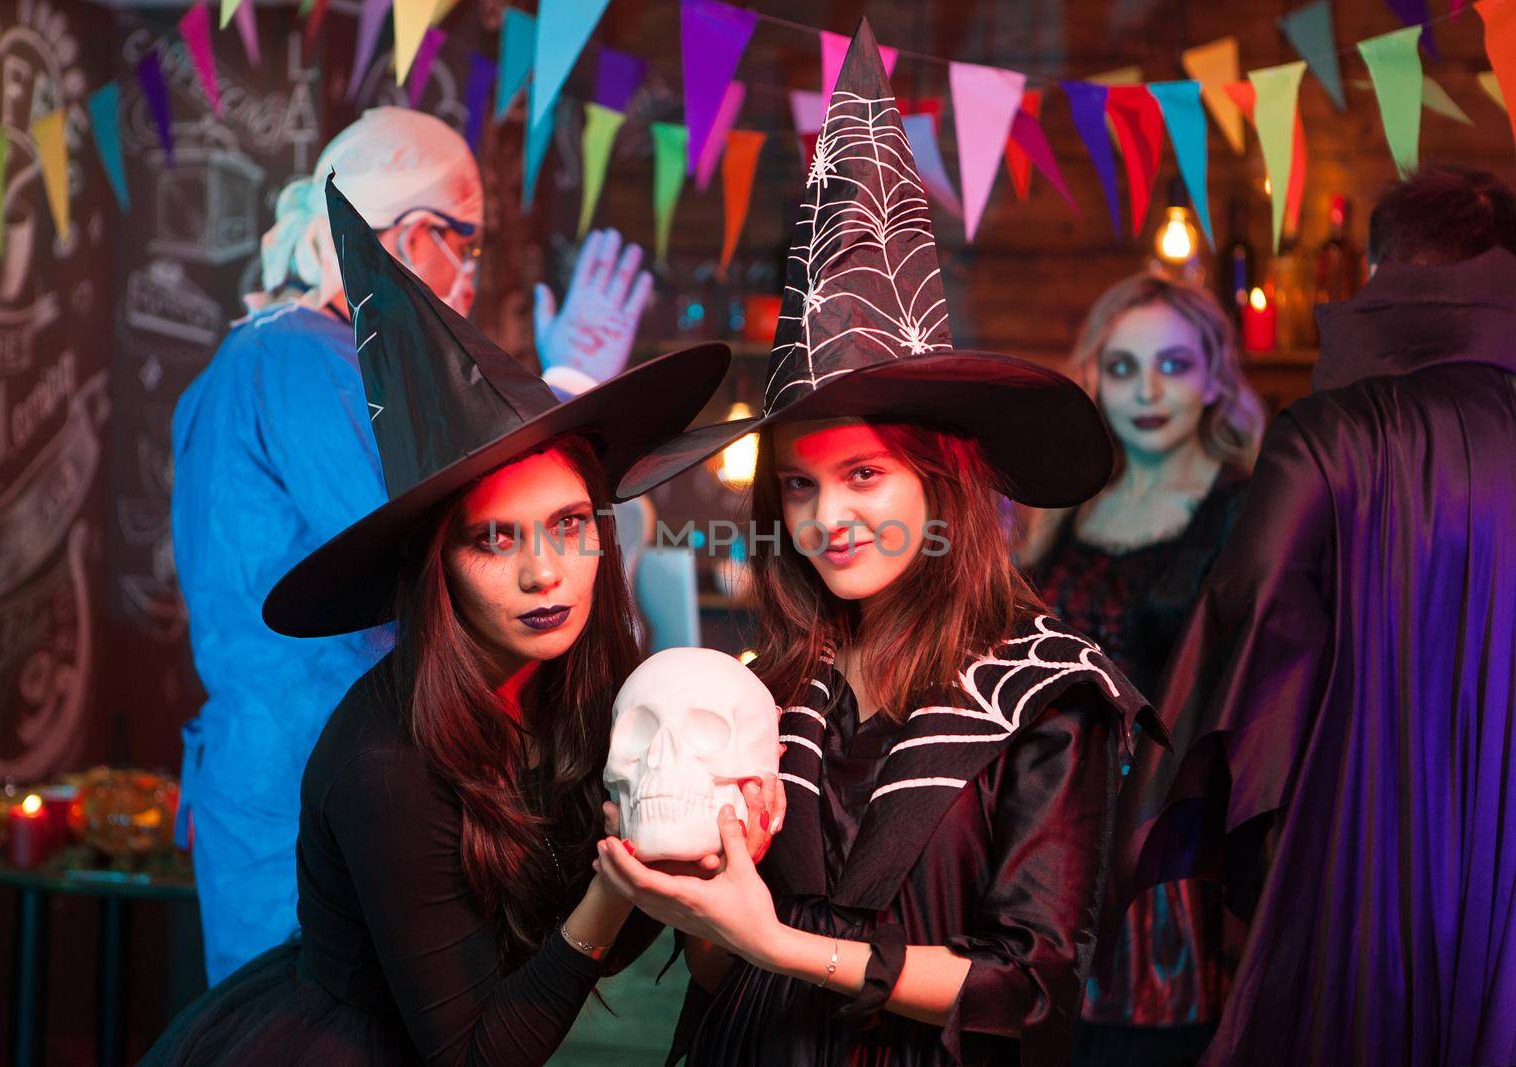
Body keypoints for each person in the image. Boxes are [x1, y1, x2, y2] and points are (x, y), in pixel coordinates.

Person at [598, 23, 1157, 1066]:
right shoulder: (775, 682)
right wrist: (701, 908)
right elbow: (725, 960)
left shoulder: (1045, 692)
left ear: (939, 476)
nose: (826, 519)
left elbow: (1030, 988)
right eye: (802, 486)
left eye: (864, 475)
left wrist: (780, 939)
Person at [143, 178, 755, 1065]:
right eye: (495, 539)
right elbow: (478, 1053)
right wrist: (617, 883)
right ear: (441, 571)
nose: (543, 570)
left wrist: (706, 851)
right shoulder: (384, 760)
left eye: (570, 525)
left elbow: (592, 943)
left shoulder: (568, 694)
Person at [170, 107, 656, 984]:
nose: (468, 279)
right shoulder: (300, 357)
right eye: (466, 249)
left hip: (276, 776)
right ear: (415, 232)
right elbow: (424, 538)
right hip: (315, 775)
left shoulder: (251, 361)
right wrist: (573, 399)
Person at [1113, 166, 1516, 1067]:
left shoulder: (1329, 433)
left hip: (1373, 852)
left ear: (1377, 271)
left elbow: (1251, 627)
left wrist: (1220, 840)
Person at [1017, 273, 1263, 1067]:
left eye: (1175, 365)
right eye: (1123, 367)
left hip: (1170, 865)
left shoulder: (1248, 509)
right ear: (1094, 377)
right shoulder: (1065, 504)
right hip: (1043, 852)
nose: (1148, 390)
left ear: (1217, 377)